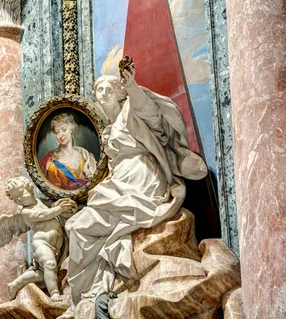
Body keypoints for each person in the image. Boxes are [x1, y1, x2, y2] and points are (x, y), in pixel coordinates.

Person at [58, 65, 207, 318]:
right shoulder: (108, 127)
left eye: (108, 88)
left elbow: (152, 116)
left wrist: (133, 87)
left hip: (142, 177)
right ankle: (89, 294)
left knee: (81, 226)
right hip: (121, 179)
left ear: (120, 93)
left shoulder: (131, 110)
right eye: (98, 90)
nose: (102, 93)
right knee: (75, 226)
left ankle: (93, 293)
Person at [0, 176, 77, 302]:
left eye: (21, 193)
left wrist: (65, 206)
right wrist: (59, 209)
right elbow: (42, 215)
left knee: (41, 273)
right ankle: (54, 294)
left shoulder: (41, 202)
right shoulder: (25, 212)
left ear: (30, 188)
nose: (19, 199)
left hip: (57, 247)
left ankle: (15, 284)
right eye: (16, 199)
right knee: (50, 264)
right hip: (42, 244)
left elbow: (52, 206)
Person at [38, 113, 97, 190]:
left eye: (64, 130)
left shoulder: (84, 154)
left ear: (71, 130)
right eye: (57, 132)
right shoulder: (50, 160)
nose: (60, 135)